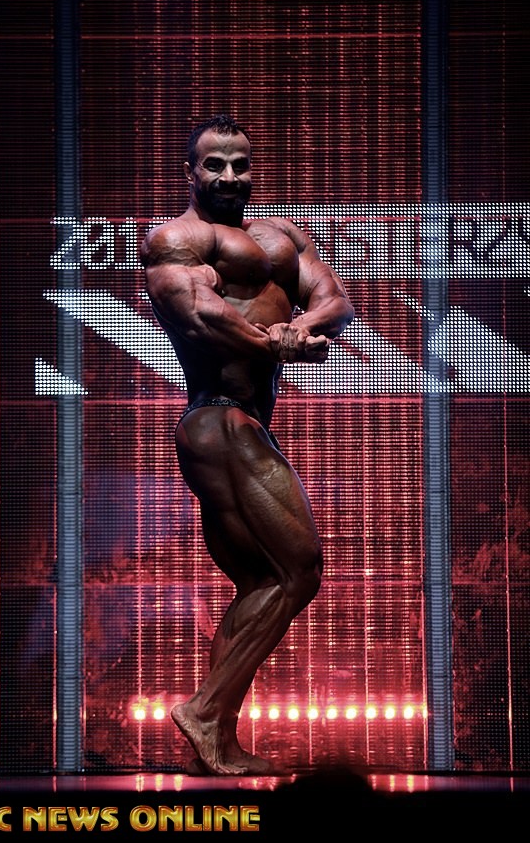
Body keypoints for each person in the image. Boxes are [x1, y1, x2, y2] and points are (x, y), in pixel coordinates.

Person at [140, 114, 354, 776]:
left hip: (248, 424)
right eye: (214, 164)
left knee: (261, 582)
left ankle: (218, 744)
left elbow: (336, 301)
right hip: (218, 421)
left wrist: (304, 329)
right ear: (190, 172)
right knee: (300, 570)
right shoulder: (177, 239)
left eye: (240, 164)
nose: (229, 175)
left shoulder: (282, 236)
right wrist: (275, 344)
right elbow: (200, 317)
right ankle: (205, 711)